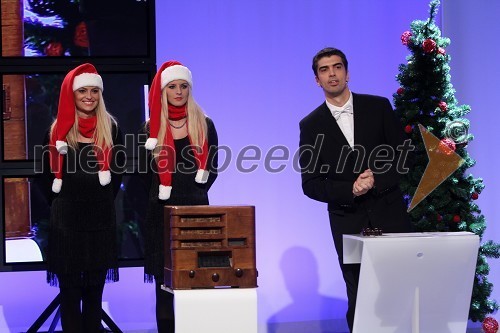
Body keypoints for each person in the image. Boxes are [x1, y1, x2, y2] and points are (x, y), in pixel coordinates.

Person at [298, 47, 412, 332]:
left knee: (401, 288)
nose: (332, 73)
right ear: (317, 80)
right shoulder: (310, 125)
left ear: (347, 73)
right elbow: (311, 184)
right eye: (324, 70)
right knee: (359, 294)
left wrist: (377, 178)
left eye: (337, 67)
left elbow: (406, 156)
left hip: (390, 213)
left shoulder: (379, 106)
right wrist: (351, 188)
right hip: (348, 221)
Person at [43, 63, 124, 333]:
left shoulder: (111, 130)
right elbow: (45, 178)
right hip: (66, 225)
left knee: (93, 296)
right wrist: (64, 206)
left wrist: (97, 202)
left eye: (94, 91)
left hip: (99, 223)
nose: (89, 96)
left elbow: (117, 176)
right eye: (82, 91)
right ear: (72, 95)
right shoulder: (56, 132)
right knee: (69, 295)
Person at [141, 60, 218, 332]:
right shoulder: (149, 129)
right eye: (172, 86)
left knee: (197, 287)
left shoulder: (205, 124)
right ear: (162, 91)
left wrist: (193, 196)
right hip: (159, 219)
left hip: (197, 216)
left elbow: (212, 170)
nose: (178, 91)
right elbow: (142, 177)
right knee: (164, 293)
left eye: (183, 86)